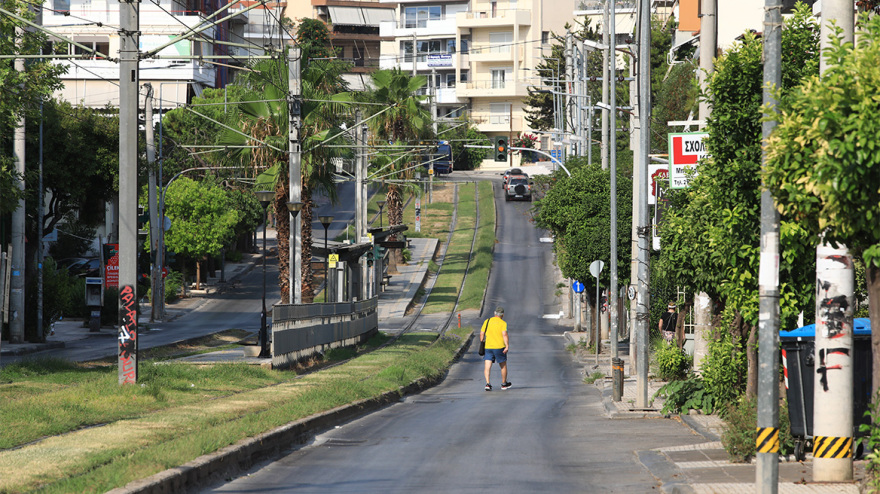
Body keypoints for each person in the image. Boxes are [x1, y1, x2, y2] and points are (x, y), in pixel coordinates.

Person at [480, 306, 511, 391]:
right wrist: (507, 345)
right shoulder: (503, 323)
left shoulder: (487, 321)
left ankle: (488, 383)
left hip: (488, 347)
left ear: (494, 313)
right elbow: (504, 334)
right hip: (499, 347)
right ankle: (504, 384)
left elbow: (482, 333)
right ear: (502, 315)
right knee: (503, 365)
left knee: (487, 366)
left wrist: (482, 341)